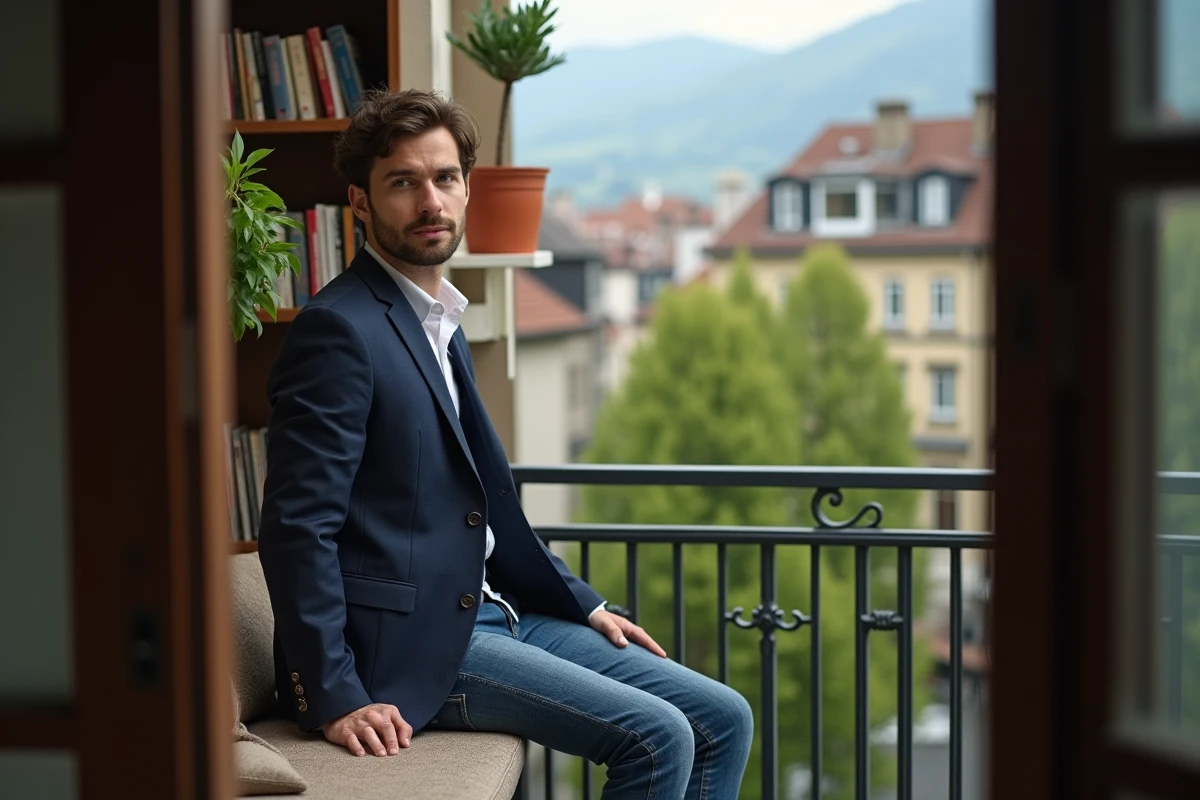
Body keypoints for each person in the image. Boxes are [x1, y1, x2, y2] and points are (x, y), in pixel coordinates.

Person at [257, 88, 753, 799]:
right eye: (403, 182)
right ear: (360, 202)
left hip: (501, 613)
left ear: (466, 187)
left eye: (445, 178)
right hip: (414, 646)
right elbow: (297, 526)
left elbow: (488, 506)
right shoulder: (339, 331)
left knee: (724, 717)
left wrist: (582, 604)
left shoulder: (436, 319)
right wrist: (333, 691)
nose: (430, 200)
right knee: (658, 736)